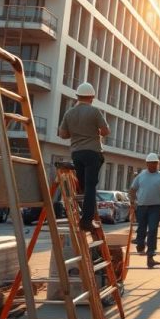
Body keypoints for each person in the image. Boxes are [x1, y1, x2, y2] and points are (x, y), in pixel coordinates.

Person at [57, 82, 110, 231]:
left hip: (76, 153)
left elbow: (63, 134)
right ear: (92, 97)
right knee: (90, 187)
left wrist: (76, 132)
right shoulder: (94, 112)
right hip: (92, 153)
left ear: (78, 96)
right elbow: (106, 131)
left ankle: (83, 215)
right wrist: (94, 132)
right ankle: (87, 220)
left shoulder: (69, 113)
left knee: (83, 187)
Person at [128, 153, 160, 268]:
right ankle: (140, 244)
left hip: (155, 208)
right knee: (141, 228)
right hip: (141, 207)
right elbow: (132, 189)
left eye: (156, 163)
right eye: (152, 163)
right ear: (147, 164)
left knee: (152, 230)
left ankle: (150, 256)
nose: (154, 165)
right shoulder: (141, 176)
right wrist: (132, 202)